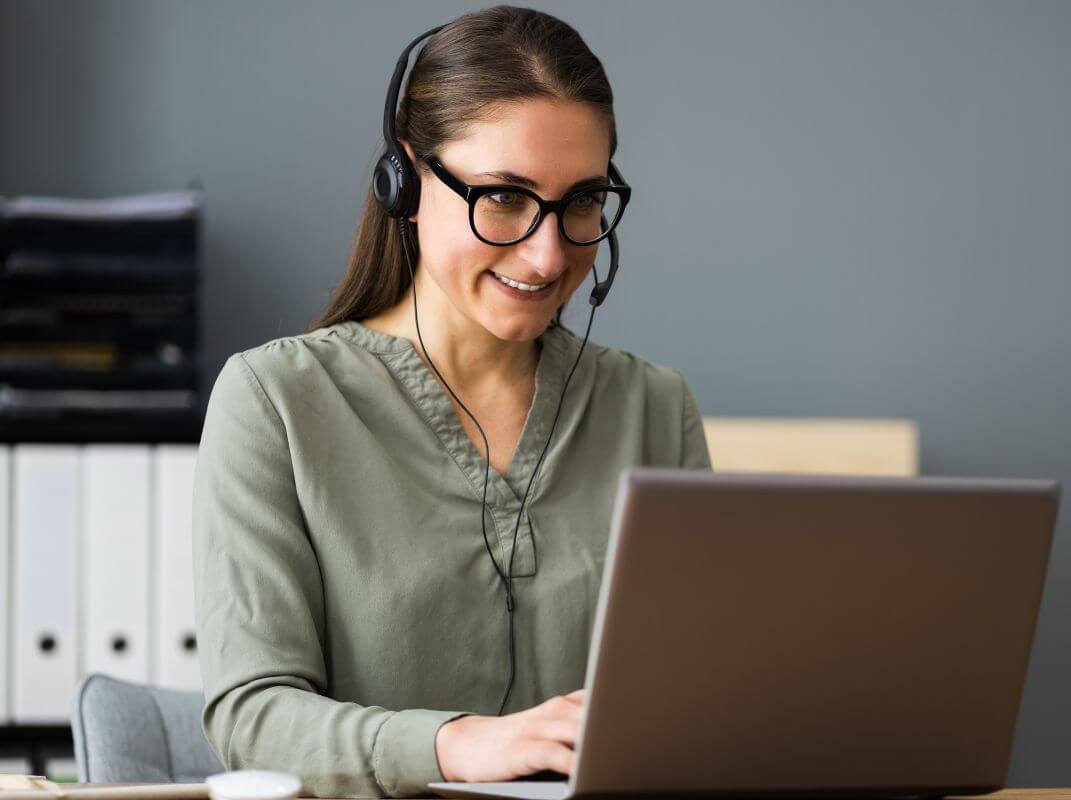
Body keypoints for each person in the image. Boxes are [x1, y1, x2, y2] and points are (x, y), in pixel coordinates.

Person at [192, 5, 711, 798]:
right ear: (404, 181)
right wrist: (456, 745)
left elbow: (698, 697)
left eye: (582, 201)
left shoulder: (654, 407)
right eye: (503, 197)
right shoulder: (277, 402)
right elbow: (251, 717)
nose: (547, 255)